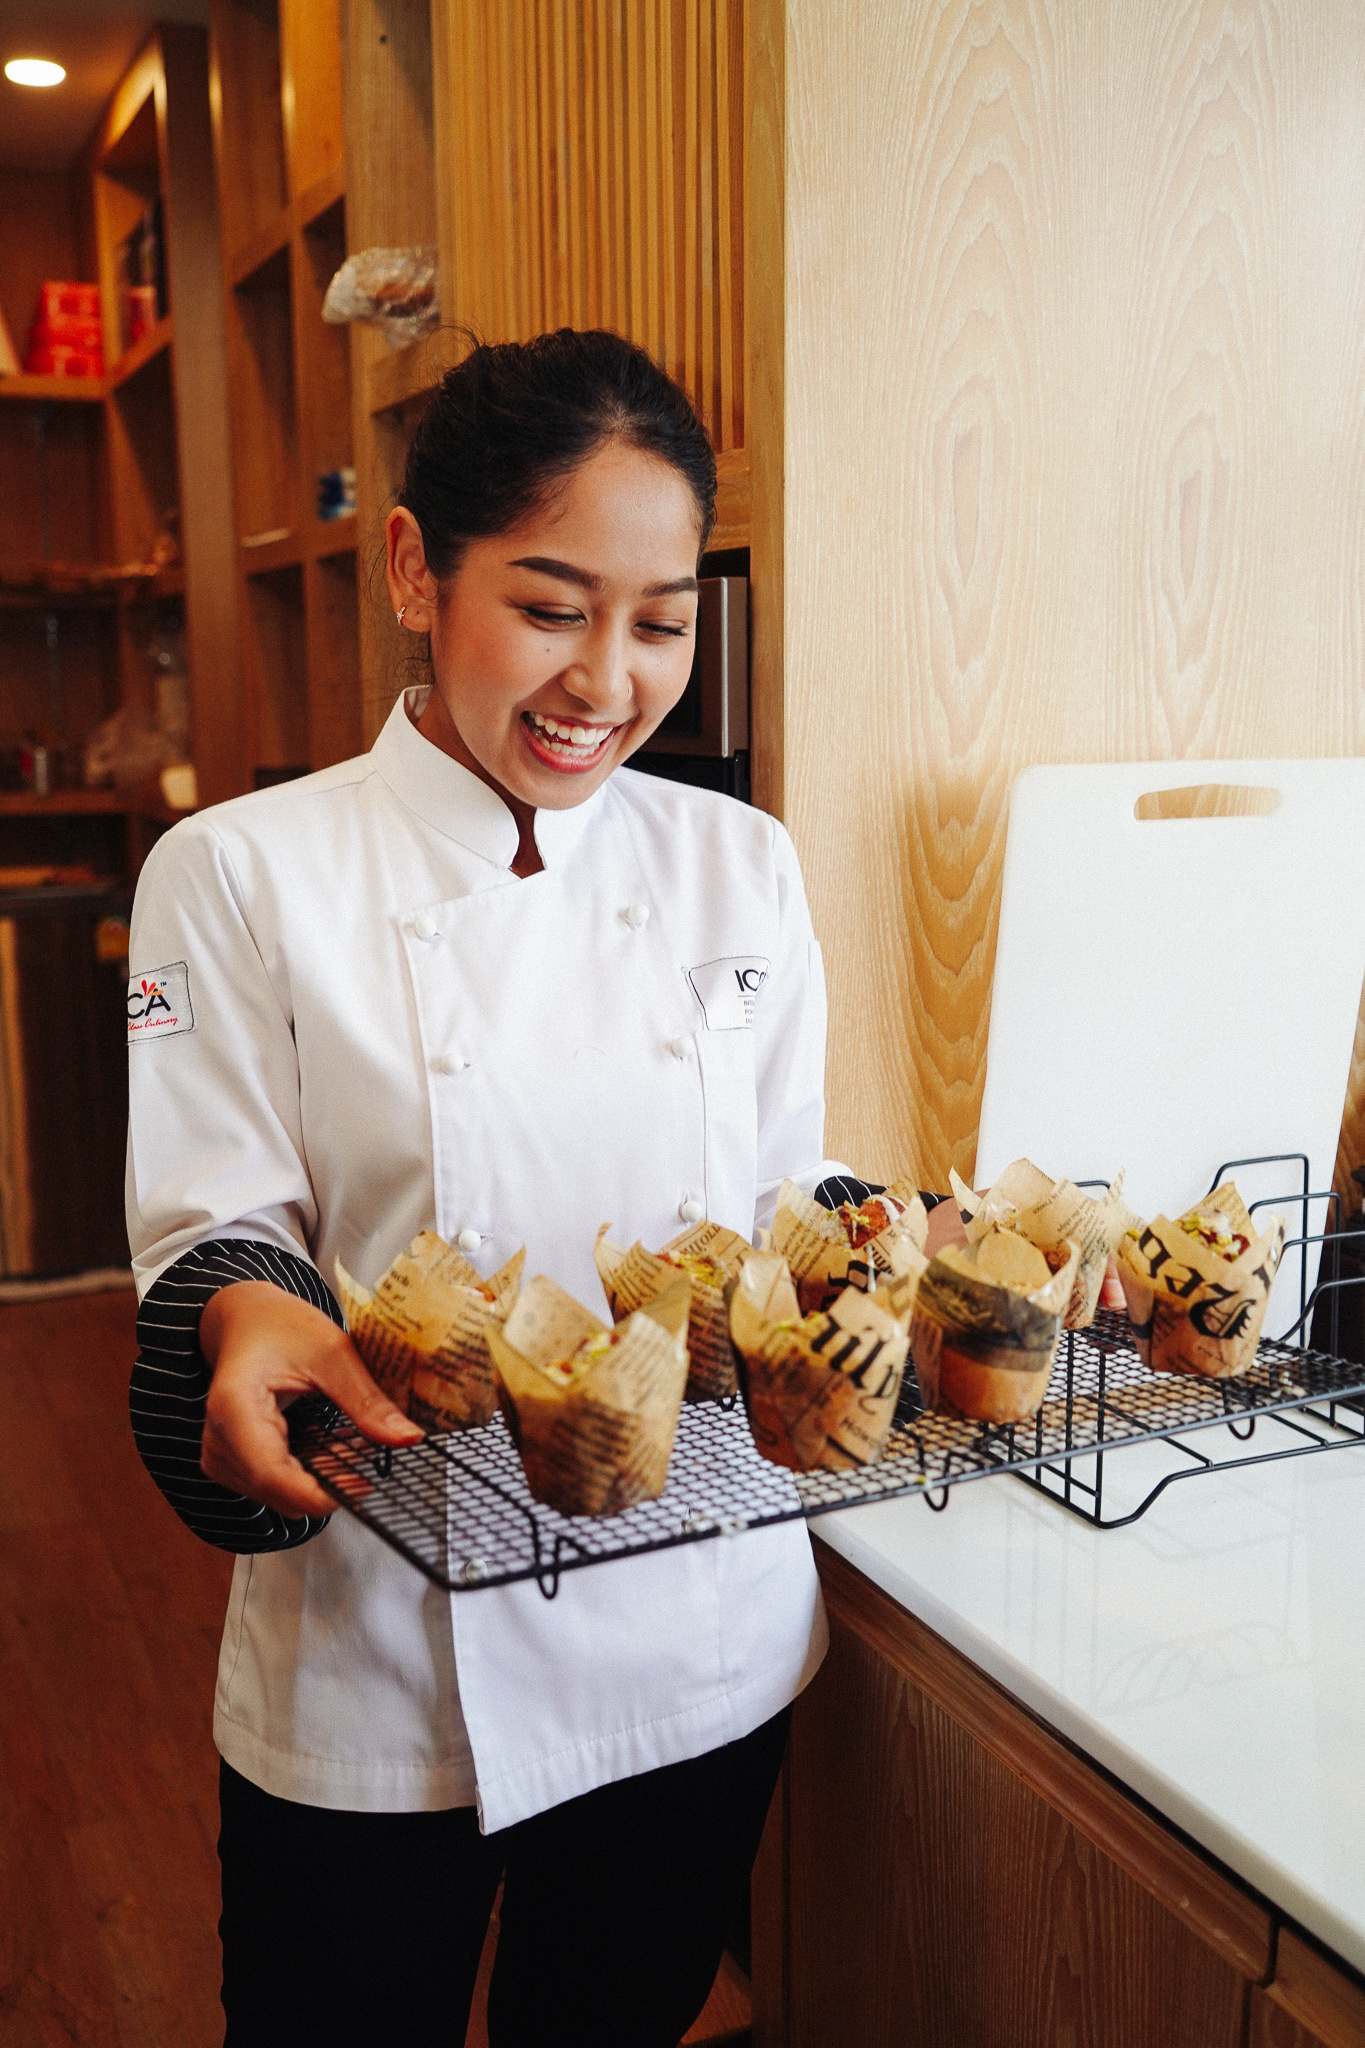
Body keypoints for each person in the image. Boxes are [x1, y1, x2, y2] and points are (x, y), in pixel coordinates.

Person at [128, 329, 884, 2047]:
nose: (604, 679)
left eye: (661, 620)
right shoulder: (243, 872)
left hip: (697, 1623)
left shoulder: (737, 864)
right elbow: (217, 1215)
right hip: (384, 1633)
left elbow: (779, 1200)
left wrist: (891, 1247)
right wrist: (247, 1323)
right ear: (415, 567)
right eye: (549, 606)